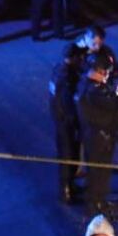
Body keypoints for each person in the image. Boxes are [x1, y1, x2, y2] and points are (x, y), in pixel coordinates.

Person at [76, 55, 118, 214]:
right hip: (99, 137)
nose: (107, 75)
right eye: (105, 72)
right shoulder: (94, 90)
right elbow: (113, 103)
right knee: (99, 172)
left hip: (97, 135)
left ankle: (99, 201)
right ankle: (96, 205)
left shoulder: (88, 85)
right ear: (98, 71)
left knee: (99, 172)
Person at [50, 43, 84, 203]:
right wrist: (76, 123)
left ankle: (70, 184)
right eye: (79, 57)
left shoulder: (57, 69)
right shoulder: (67, 77)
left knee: (68, 155)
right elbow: (68, 103)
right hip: (66, 123)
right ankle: (66, 191)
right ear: (74, 58)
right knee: (68, 156)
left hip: (59, 120)